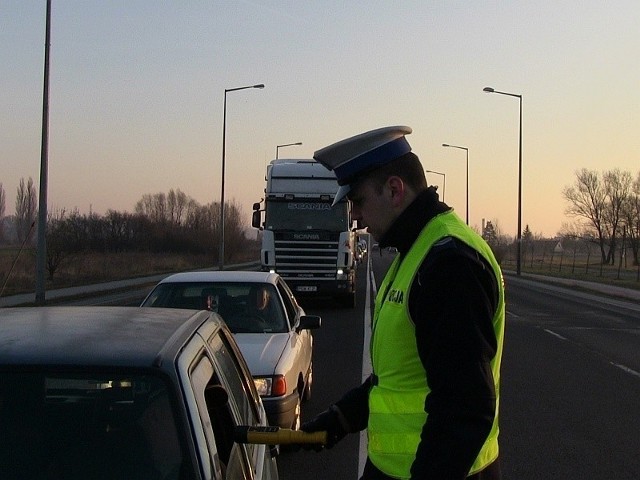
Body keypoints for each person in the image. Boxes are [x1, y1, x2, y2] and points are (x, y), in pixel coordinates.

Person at [302, 126, 505, 479]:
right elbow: (398, 379)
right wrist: (342, 417)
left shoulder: (449, 263)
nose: (357, 219)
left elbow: (466, 408)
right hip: (392, 470)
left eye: (359, 202)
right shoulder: (415, 252)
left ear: (395, 190)